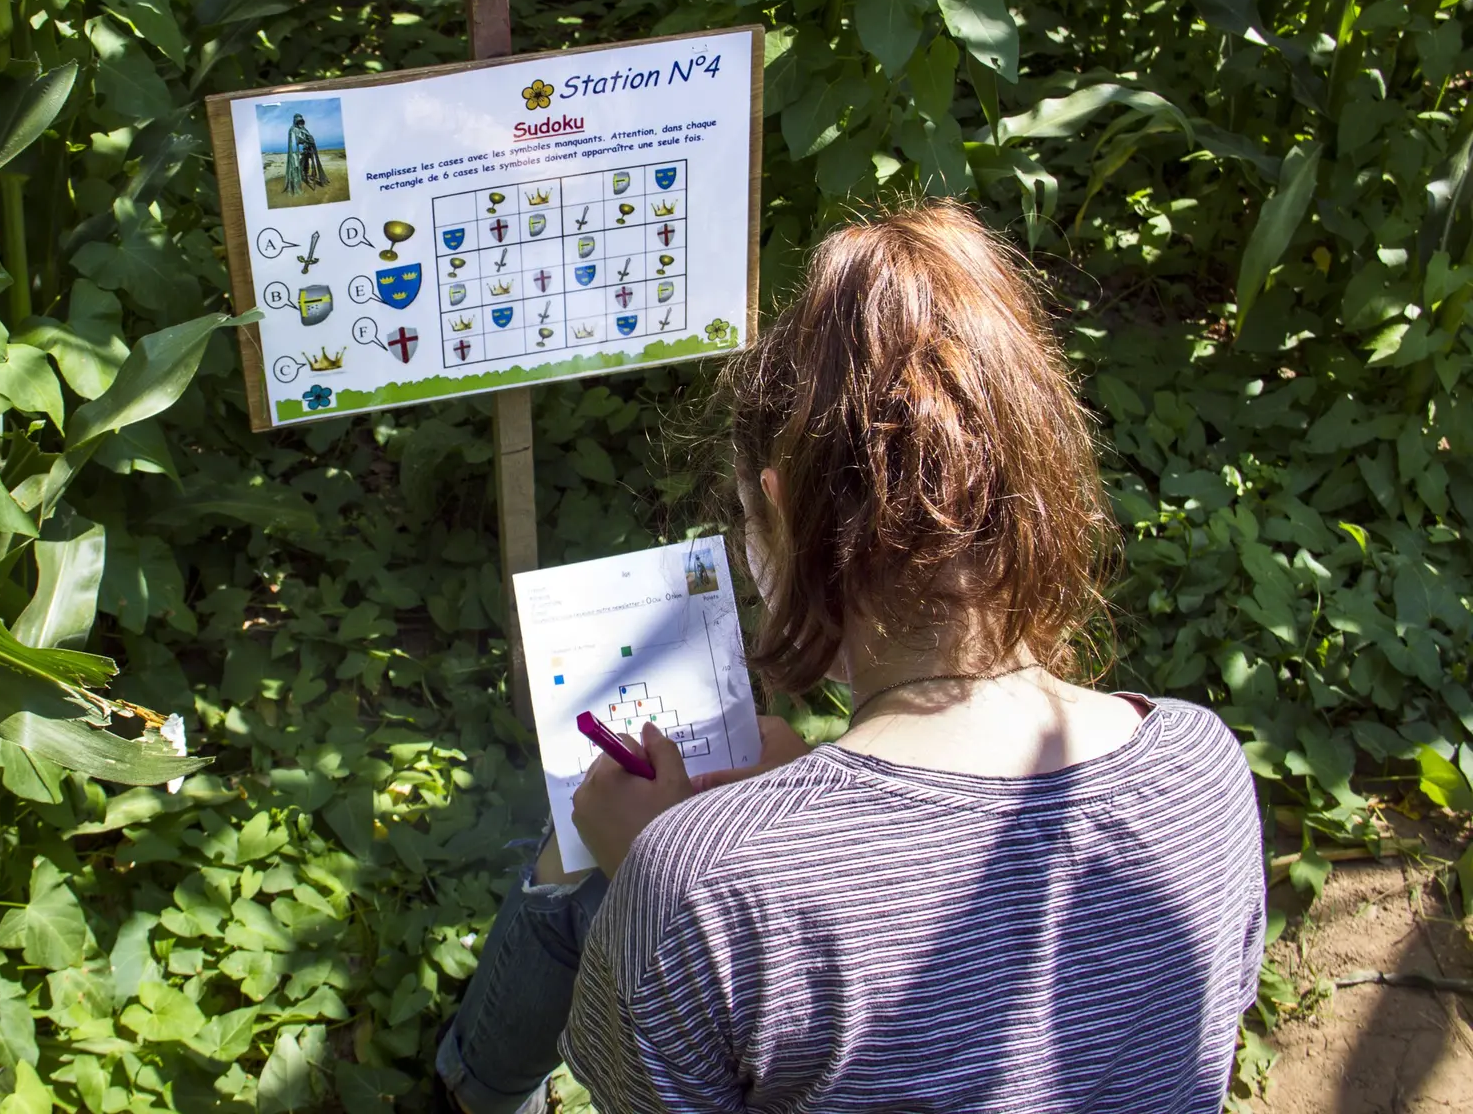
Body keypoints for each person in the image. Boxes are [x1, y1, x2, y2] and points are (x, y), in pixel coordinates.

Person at [434, 202, 1266, 1113]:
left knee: (565, 873)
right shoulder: (1204, 764)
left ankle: (473, 1088)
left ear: (784, 510)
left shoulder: (707, 887)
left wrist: (653, 873)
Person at [283, 113, 327, 196]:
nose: (300, 123)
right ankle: (296, 184)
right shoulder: (292, 130)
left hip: (305, 152)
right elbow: (293, 143)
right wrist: (301, 141)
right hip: (296, 154)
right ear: (295, 121)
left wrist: (310, 141)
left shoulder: (305, 130)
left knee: (306, 166)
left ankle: (306, 177)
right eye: (298, 121)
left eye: (301, 121)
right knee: (296, 167)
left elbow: (308, 138)